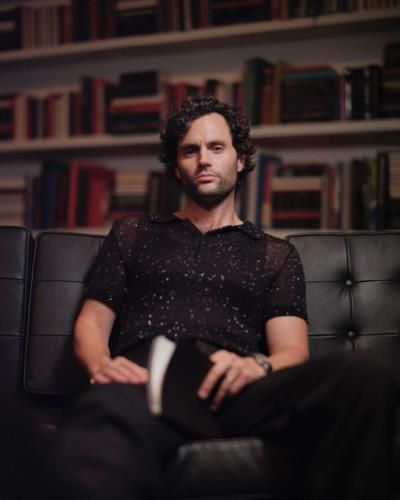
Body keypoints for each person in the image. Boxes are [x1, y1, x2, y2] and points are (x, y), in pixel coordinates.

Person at [49, 95, 395, 500]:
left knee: (366, 377)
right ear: (177, 168)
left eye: (216, 147)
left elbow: (291, 351)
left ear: (240, 159)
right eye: (190, 150)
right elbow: (91, 324)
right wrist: (102, 368)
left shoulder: (275, 252)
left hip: (237, 387)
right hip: (149, 384)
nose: (204, 159)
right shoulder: (133, 233)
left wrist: (256, 366)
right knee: (97, 428)